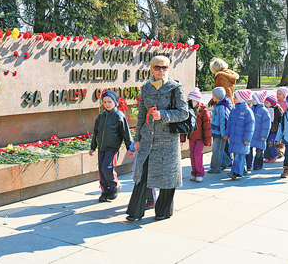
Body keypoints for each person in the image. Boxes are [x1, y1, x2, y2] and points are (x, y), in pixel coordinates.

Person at [126, 55, 189, 221]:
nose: (161, 70)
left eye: (164, 67)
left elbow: (184, 113)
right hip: (148, 139)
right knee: (142, 175)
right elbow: (141, 115)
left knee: (168, 178)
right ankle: (135, 212)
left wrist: (163, 114)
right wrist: (137, 138)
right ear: (151, 68)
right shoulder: (146, 88)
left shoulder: (175, 87)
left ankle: (163, 211)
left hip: (168, 140)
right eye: (158, 67)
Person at [90, 90, 135, 202]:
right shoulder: (101, 117)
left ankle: (114, 186)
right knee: (102, 169)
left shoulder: (119, 116)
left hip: (112, 148)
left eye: (109, 102)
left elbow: (126, 133)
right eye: (104, 102)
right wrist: (93, 147)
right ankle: (105, 190)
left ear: (115, 102)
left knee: (107, 168)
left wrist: (130, 148)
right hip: (102, 147)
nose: (107, 104)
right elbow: (96, 132)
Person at [225, 90, 255, 180]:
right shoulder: (234, 110)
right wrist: (227, 134)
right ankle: (243, 169)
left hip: (242, 139)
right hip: (235, 139)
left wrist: (247, 139)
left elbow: (250, 128)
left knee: (239, 155)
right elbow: (229, 123)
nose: (233, 99)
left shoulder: (247, 112)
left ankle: (235, 172)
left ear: (241, 99)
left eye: (235, 97)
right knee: (237, 155)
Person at [185, 87, 212, 182]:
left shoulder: (203, 111)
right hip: (192, 137)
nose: (189, 102)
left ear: (196, 101)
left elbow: (207, 126)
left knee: (197, 154)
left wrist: (207, 140)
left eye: (191, 100)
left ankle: (200, 173)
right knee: (192, 155)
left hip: (200, 138)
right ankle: (194, 172)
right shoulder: (189, 110)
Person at [208, 87, 233, 173]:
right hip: (216, 132)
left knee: (216, 150)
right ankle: (228, 161)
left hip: (220, 133)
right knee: (218, 150)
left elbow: (224, 121)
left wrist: (224, 134)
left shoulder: (222, 107)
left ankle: (215, 168)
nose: (212, 96)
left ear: (216, 96)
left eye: (213, 95)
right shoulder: (218, 104)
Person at [248, 91, 271, 171]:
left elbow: (266, 125)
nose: (253, 100)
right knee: (248, 151)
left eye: (255, 98)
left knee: (259, 151)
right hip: (250, 134)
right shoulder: (250, 109)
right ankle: (248, 164)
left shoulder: (264, 111)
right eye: (252, 98)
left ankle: (258, 165)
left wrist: (264, 135)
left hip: (259, 135)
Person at [263, 95, 284, 163]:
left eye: (267, 103)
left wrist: (281, 129)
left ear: (272, 104)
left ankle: (274, 155)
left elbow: (281, 119)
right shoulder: (265, 109)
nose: (265, 104)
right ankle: (267, 156)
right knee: (266, 143)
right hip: (267, 129)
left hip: (275, 130)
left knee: (271, 142)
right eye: (265, 102)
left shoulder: (277, 110)